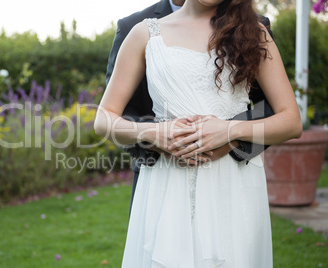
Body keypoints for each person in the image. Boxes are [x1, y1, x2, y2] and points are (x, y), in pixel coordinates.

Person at [95, 0, 302, 266]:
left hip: (232, 183)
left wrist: (230, 130)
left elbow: (290, 120)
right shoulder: (143, 33)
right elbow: (104, 118)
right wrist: (154, 133)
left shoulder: (254, 33)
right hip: (166, 181)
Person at [106, 0, 275, 215]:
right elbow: (118, 112)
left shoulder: (252, 27)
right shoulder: (136, 28)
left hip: (233, 174)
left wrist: (231, 138)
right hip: (162, 174)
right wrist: (159, 139)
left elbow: (272, 109)